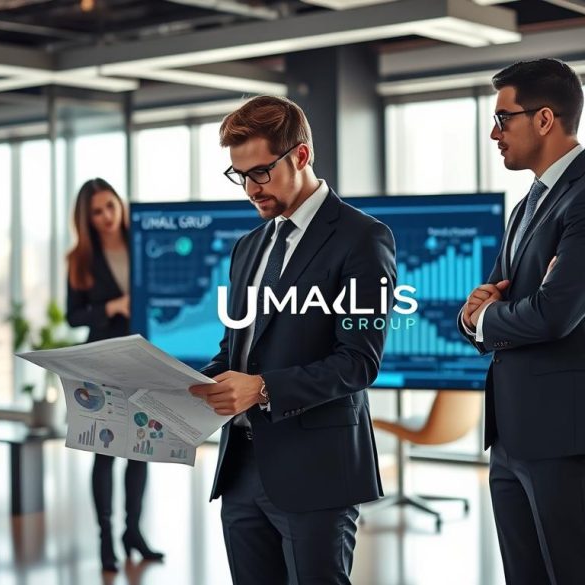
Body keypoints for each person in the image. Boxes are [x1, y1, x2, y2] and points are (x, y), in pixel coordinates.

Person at [187, 95, 397, 585]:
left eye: (260, 172)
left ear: (300, 156)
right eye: (239, 175)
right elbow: (234, 351)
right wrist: (177, 384)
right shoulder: (248, 248)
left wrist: (262, 388)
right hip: (240, 471)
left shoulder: (363, 238)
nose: (250, 189)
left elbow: (358, 362)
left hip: (316, 472)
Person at [458, 58, 585, 585]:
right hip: (512, 433)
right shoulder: (528, 205)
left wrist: (493, 314)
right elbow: (483, 307)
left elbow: (554, 314)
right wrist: (483, 316)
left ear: (543, 119)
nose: (494, 133)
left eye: (503, 118)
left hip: (568, 428)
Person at [66, 178, 164, 573]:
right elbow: (74, 316)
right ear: (86, 218)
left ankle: (133, 532)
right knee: (105, 451)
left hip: (143, 357)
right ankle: (106, 537)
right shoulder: (80, 259)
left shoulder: (142, 242)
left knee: (141, 448)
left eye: (111, 206)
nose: (106, 217)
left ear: (120, 205)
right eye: (97, 212)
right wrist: (112, 307)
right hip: (103, 360)